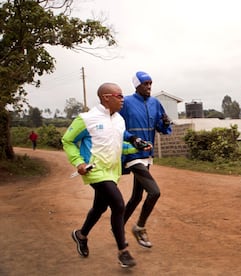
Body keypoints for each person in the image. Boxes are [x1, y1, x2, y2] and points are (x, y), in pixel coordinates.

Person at [61, 83, 136, 268]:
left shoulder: (119, 120)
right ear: (106, 97)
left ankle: (81, 235)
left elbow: (118, 146)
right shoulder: (86, 119)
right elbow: (67, 140)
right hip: (94, 171)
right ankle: (123, 251)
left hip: (112, 171)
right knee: (118, 204)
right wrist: (79, 162)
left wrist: (137, 147)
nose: (123, 99)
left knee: (99, 208)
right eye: (119, 96)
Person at [120, 71, 172, 249]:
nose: (149, 87)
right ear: (137, 85)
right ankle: (139, 227)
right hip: (132, 154)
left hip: (147, 156)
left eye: (150, 83)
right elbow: (117, 127)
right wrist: (132, 138)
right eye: (145, 84)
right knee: (154, 192)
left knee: (136, 196)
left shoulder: (155, 103)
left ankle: (117, 227)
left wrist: (165, 123)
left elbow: (162, 129)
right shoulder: (126, 103)